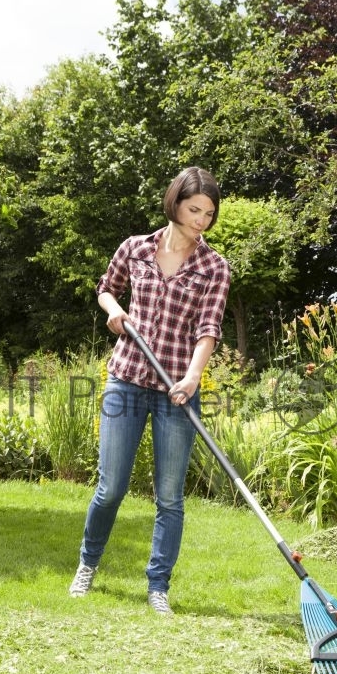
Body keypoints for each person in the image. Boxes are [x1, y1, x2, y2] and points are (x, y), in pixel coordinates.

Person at [69, 167, 230, 613]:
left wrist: (193, 377)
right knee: (111, 488)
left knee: (170, 496)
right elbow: (106, 289)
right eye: (194, 210)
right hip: (127, 379)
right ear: (174, 203)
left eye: (209, 213)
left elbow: (208, 329)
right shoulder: (135, 248)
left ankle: (158, 586)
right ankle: (87, 565)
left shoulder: (214, 267)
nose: (201, 220)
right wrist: (114, 311)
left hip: (177, 389)